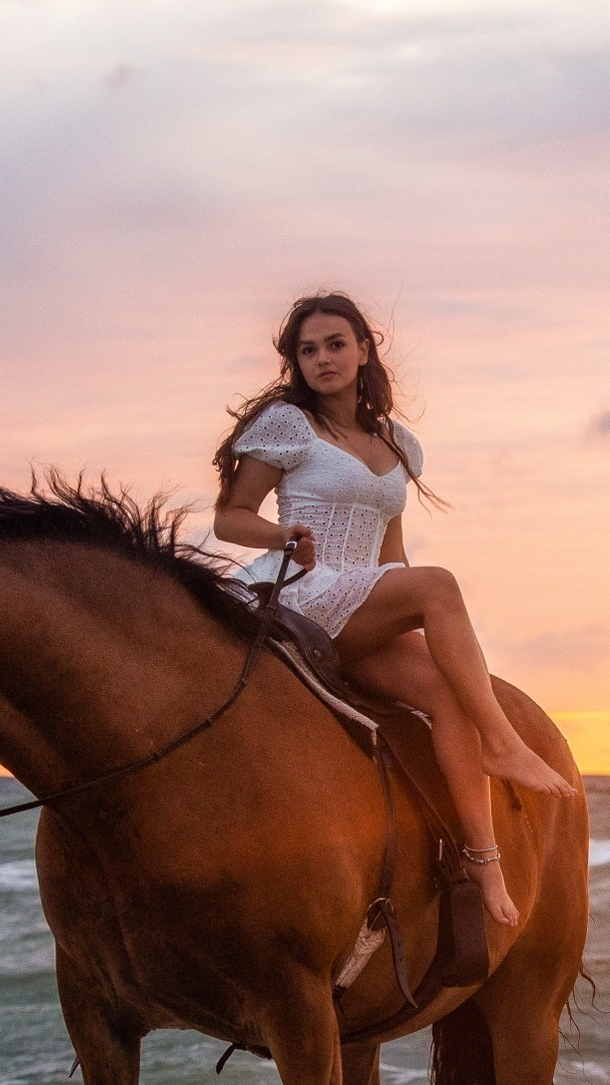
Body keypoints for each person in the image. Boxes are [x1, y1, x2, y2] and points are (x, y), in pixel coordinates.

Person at [212, 293, 574, 928]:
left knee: (445, 693)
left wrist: (407, 617)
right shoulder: (289, 427)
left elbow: (392, 552)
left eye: (334, 344)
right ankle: (505, 742)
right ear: (295, 363)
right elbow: (229, 518)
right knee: (440, 585)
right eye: (307, 350)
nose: (322, 358)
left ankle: (485, 866)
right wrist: (283, 536)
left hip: (366, 602)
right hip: (303, 593)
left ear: (363, 350)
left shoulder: (397, 443)